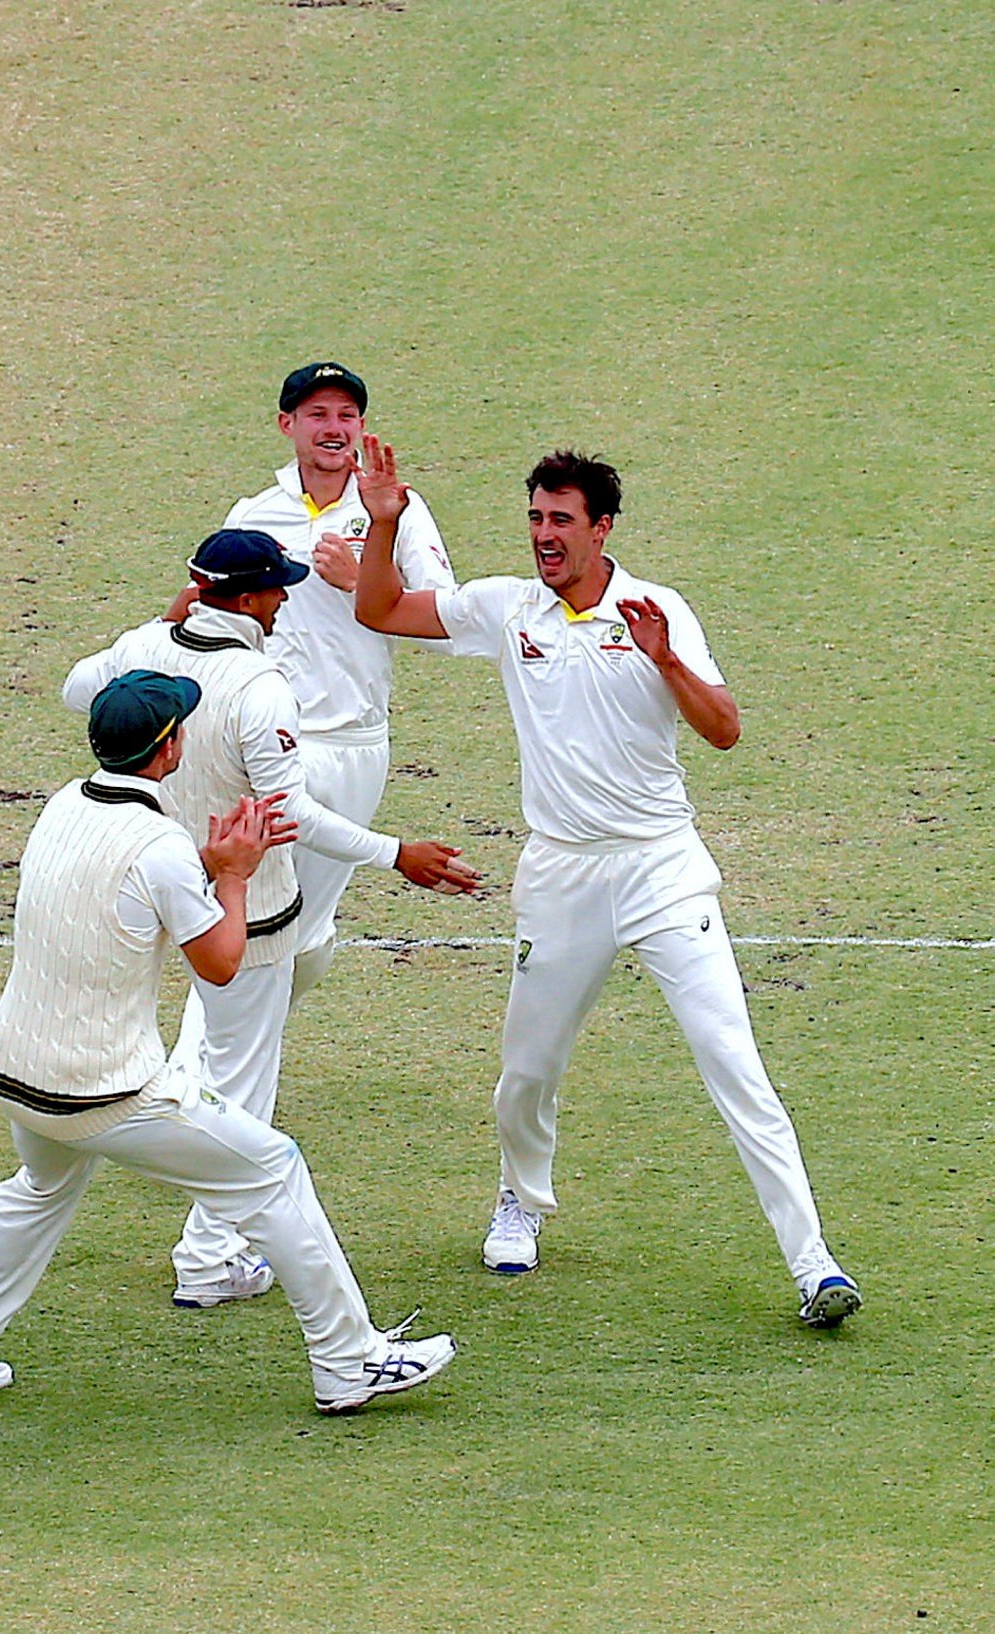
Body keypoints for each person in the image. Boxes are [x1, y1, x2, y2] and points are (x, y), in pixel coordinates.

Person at [350, 438, 861, 1328]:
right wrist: (386, 521)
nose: (545, 536)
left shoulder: (658, 609)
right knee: (527, 1072)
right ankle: (519, 1199)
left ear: (602, 528)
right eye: (537, 519)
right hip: (561, 876)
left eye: (561, 521)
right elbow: (381, 610)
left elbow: (725, 730)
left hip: (663, 869)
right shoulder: (507, 610)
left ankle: (814, 1265)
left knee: (734, 1064)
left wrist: (663, 658)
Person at [0, 671, 457, 1413]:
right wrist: (238, 876)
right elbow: (220, 966)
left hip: (18, 1071)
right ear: (171, 748)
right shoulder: (156, 844)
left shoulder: (63, 805)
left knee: (41, 1187)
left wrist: (212, 869)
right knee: (275, 1170)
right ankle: (350, 1361)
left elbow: (133, 898)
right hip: (106, 1089)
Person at [65, 531, 478, 1309]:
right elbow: (291, 814)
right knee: (244, 1084)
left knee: (208, 1062)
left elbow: (76, 689)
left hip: (159, 895)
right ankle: (210, 1256)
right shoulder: (259, 683)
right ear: (249, 598)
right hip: (245, 911)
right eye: (277, 588)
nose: (288, 598)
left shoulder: (146, 646)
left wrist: (159, 632)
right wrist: (396, 853)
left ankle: (205, 1239)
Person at [167, 363, 459, 1005]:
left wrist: (365, 578)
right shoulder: (254, 512)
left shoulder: (395, 512)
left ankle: (237, 1061)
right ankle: (203, 1072)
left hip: (353, 744)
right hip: (260, 742)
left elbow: (447, 615)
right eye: (318, 415)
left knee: (305, 932)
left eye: (347, 416)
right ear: (287, 425)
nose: (335, 429)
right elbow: (206, 609)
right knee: (248, 909)